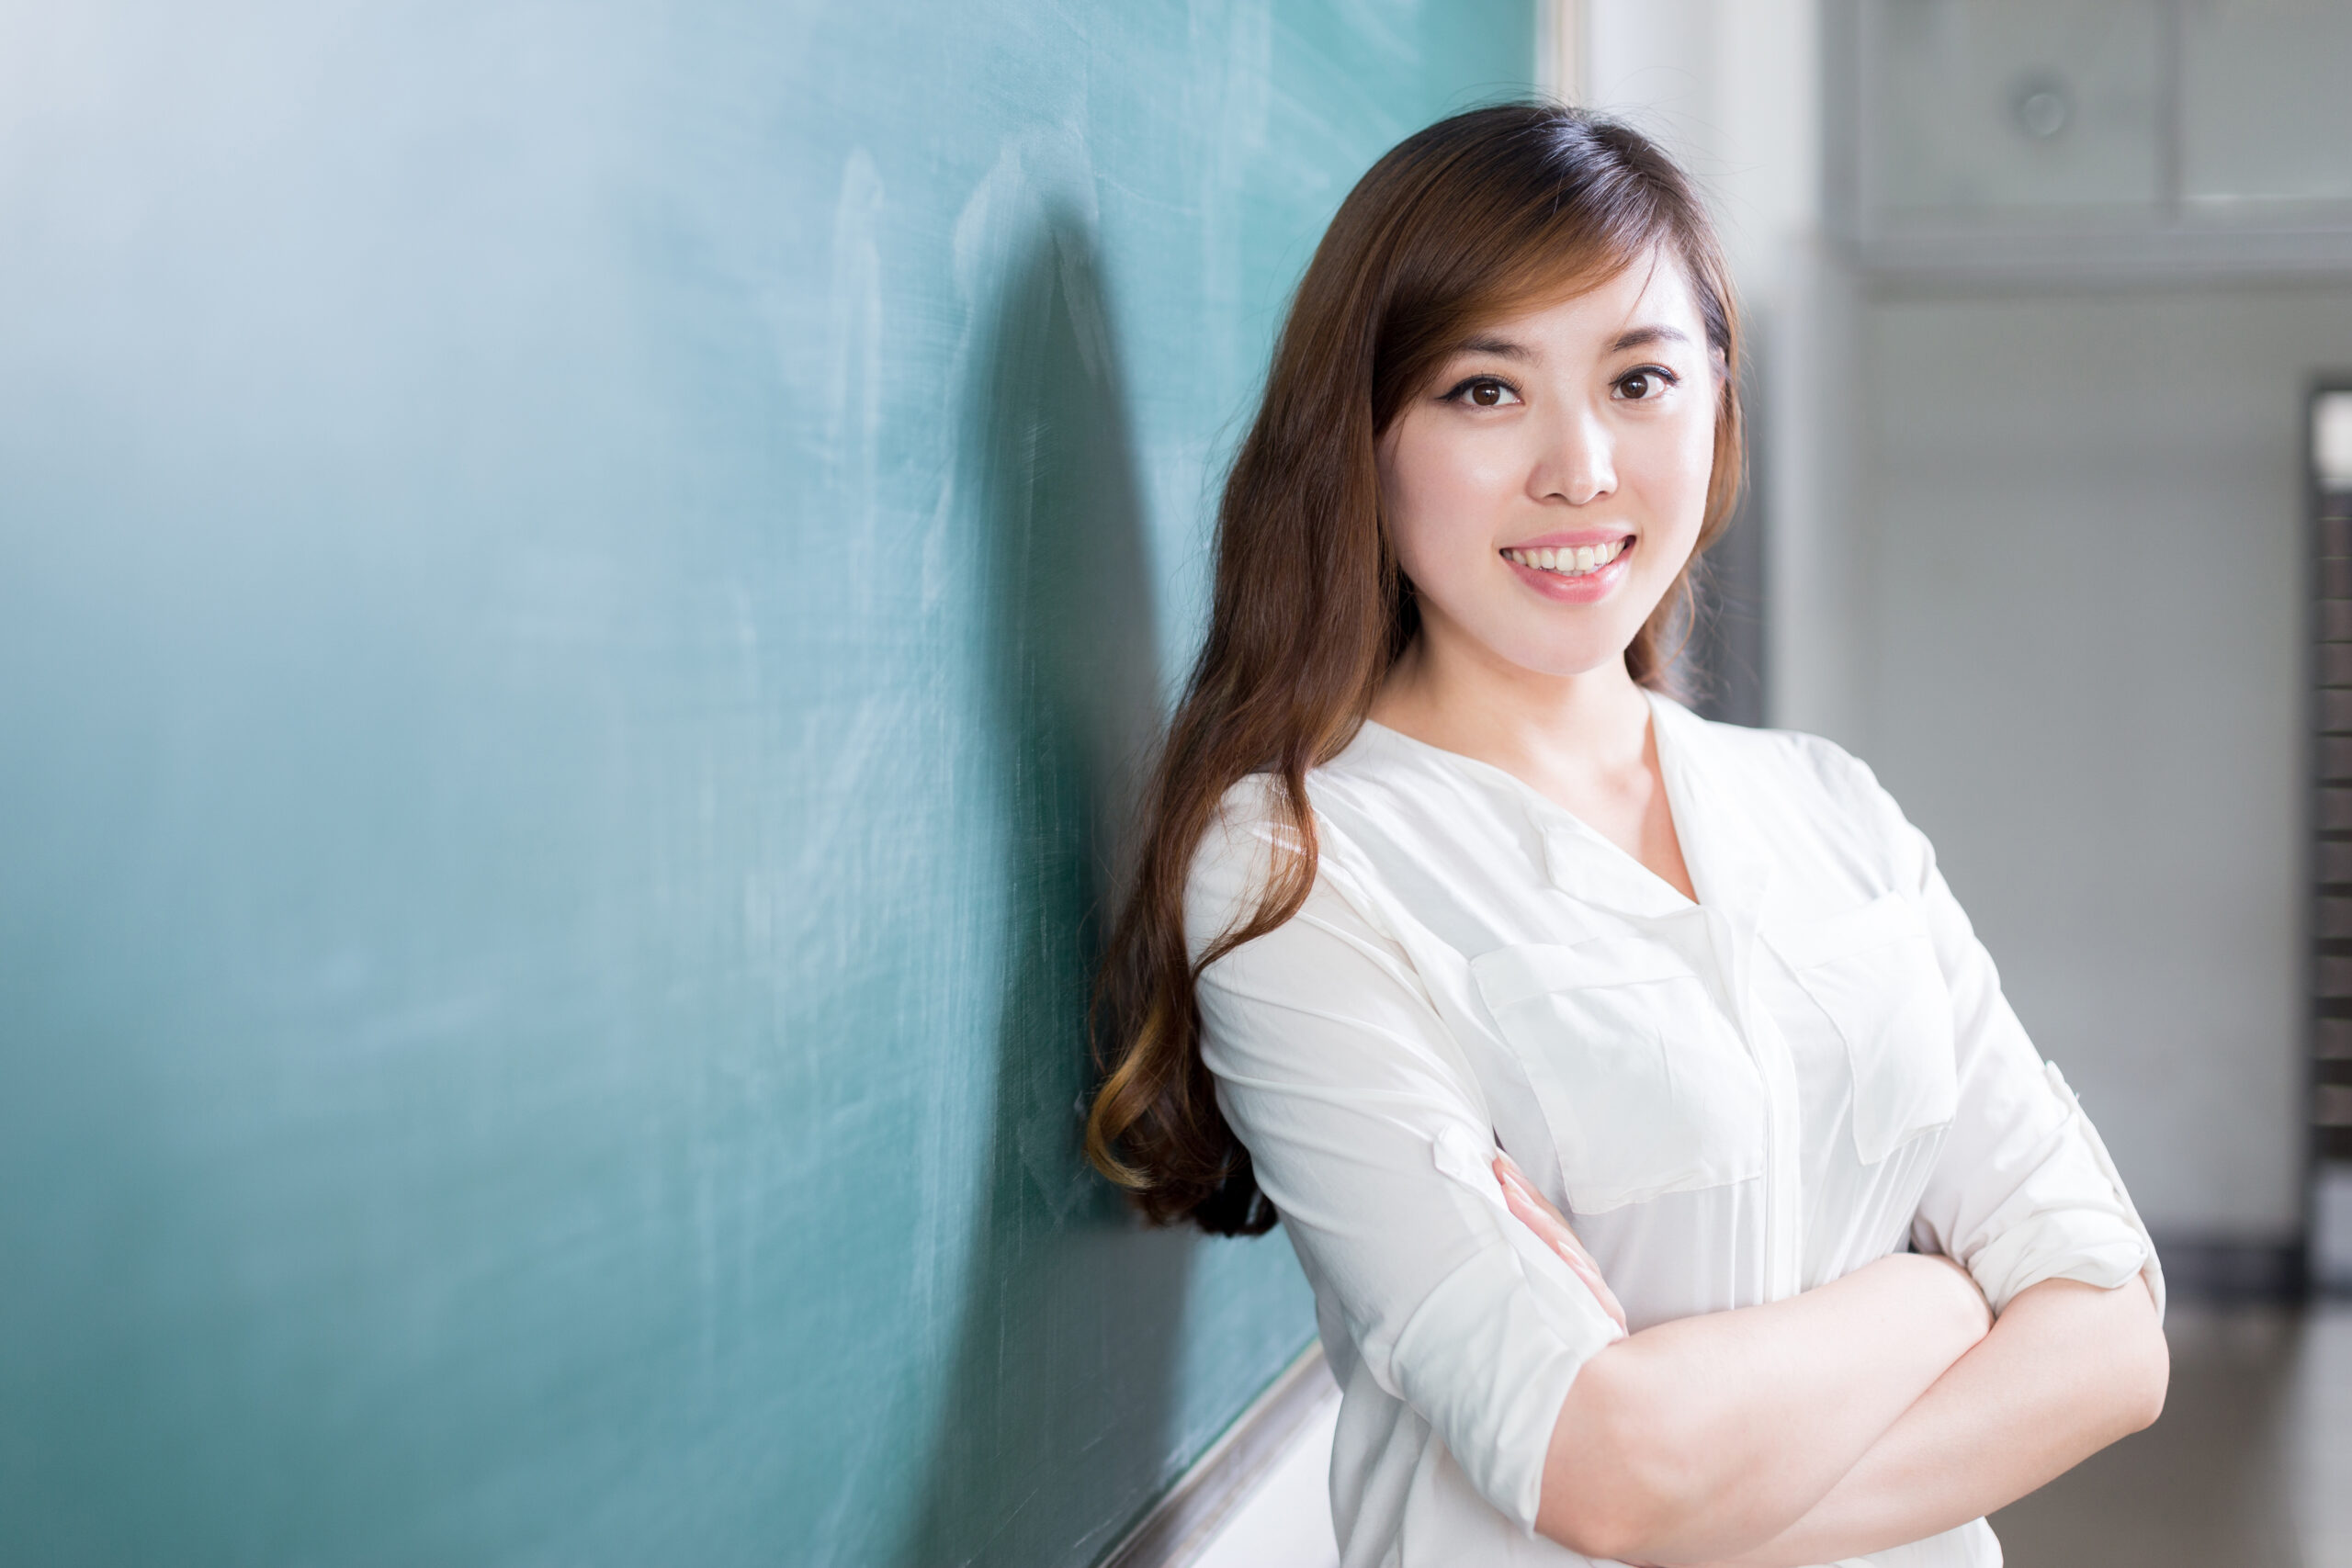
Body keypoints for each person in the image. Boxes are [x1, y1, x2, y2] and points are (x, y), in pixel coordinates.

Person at [1084, 103, 2167, 1567]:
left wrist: (1715, 1500)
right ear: (1366, 436)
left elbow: (2114, 1337)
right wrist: (1944, 1296)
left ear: (1717, 401)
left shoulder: (1830, 808)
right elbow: (1608, 1469)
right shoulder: (1295, 865)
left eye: (1640, 378)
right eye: (1485, 391)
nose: (1582, 467)